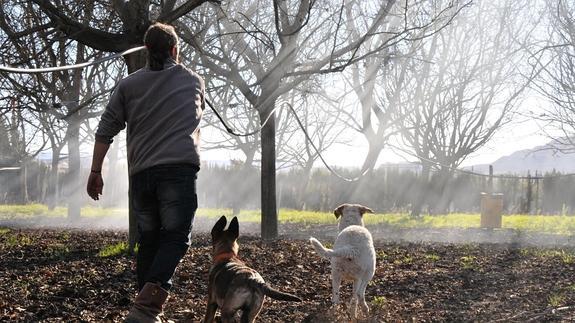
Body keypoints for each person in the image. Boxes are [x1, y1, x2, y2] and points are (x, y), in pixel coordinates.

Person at [86, 22, 204, 322]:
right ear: (175, 50)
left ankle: (146, 314)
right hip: (178, 171)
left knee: (149, 239)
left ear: (146, 50)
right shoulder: (193, 81)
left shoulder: (128, 86)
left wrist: (95, 171)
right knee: (177, 238)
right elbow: (196, 111)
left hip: (141, 176)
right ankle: (146, 309)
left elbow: (105, 131)